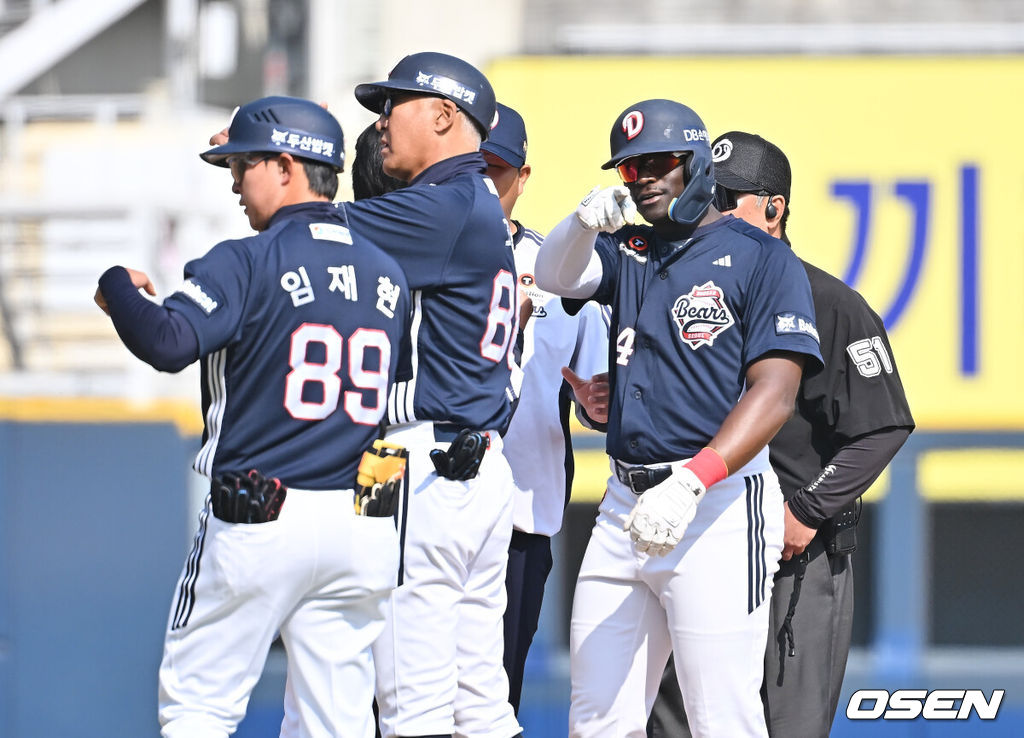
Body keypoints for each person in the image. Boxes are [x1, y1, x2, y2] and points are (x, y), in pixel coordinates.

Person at [95, 96, 411, 738]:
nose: (235, 182)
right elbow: (395, 404)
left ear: (286, 164)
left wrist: (117, 286)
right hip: (364, 520)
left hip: (260, 511)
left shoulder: (244, 258)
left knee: (197, 711)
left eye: (242, 165)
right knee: (338, 724)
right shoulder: (389, 273)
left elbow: (168, 342)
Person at [534, 98, 823, 738]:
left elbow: (775, 394)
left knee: (722, 719)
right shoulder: (629, 247)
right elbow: (554, 275)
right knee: (596, 720)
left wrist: (693, 480)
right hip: (622, 502)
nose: (645, 179)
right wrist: (582, 223)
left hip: (715, 504)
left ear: (696, 163)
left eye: (660, 162)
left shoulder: (761, 257)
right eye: (631, 168)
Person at [647, 131, 915, 738]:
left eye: (730, 196)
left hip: (796, 557)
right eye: (705, 194)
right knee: (676, 723)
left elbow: (883, 425)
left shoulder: (829, 301)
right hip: (700, 538)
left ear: (775, 208)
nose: (712, 207)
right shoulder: (684, 285)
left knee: (787, 724)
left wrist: (808, 510)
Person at [345, 52, 524, 738]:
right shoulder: (475, 199)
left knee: (409, 703)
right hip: (473, 465)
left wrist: (286, 166)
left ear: (446, 116)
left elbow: (303, 234)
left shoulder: (443, 206)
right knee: (478, 704)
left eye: (395, 106)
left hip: (420, 464)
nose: (383, 122)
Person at [480, 102, 610, 713]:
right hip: (423, 504)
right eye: (469, 167)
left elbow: (591, 393)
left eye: (496, 168)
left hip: (521, 510)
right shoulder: (417, 252)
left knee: (497, 693)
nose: (483, 183)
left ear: (522, 176)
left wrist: (597, 404)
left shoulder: (555, 267)